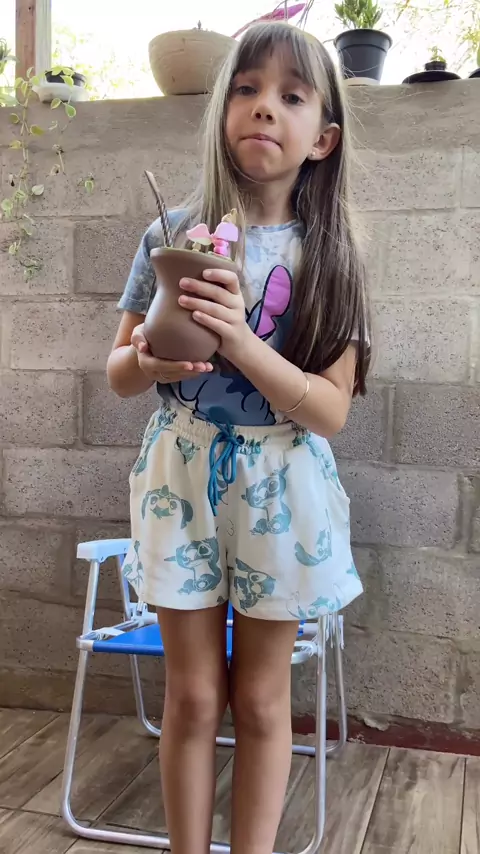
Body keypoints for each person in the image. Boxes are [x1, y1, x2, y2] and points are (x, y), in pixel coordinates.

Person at [107, 20, 370, 854]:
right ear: (223, 111)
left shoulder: (332, 257)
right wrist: (151, 363)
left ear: (322, 138)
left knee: (259, 701)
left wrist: (241, 341)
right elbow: (118, 371)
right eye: (247, 90)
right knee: (191, 698)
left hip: (280, 488)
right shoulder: (173, 235)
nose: (264, 108)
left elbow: (329, 412)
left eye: (291, 96)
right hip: (179, 480)